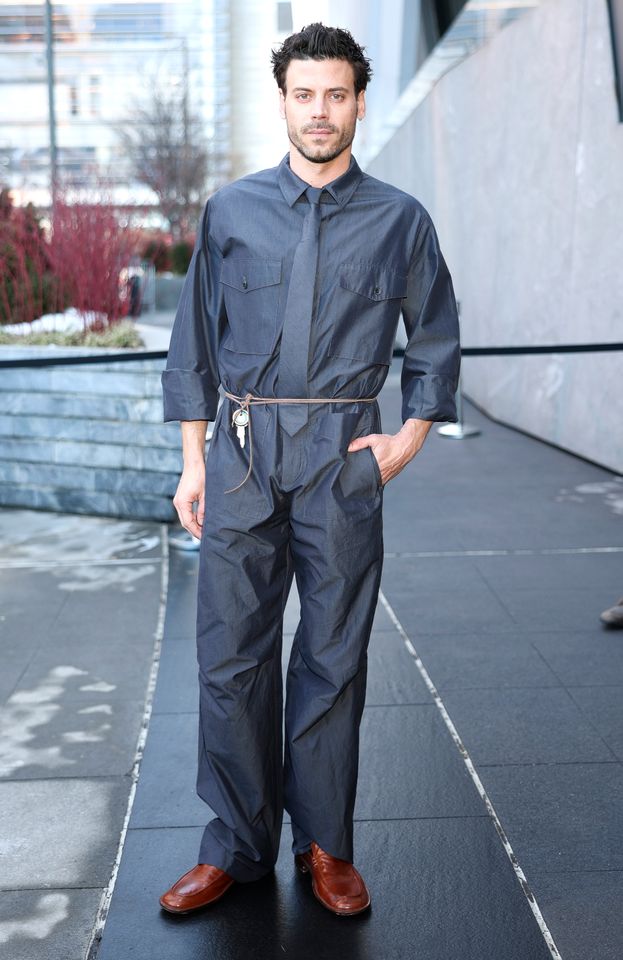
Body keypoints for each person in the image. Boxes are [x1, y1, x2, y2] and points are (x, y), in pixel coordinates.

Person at [159, 22, 461, 918]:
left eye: (336, 94)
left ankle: (325, 844)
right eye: (304, 94)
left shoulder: (400, 219)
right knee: (230, 657)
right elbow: (193, 342)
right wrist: (191, 463)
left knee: (332, 655)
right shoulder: (230, 211)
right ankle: (236, 845)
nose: (319, 111)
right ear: (283, 102)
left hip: (341, 456)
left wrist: (406, 440)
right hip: (241, 454)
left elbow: (434, 336)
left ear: (359, 102)